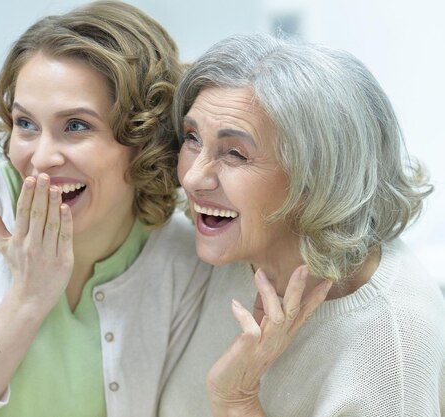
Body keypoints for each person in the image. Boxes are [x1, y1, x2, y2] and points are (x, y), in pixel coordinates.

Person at [0, 2, 213, 416]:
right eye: (26, 124)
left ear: (144, 138)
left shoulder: (179, 254)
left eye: (76, 126)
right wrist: (28, 297)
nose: (42, 158)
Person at [157, 34, 445, 416]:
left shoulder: (392, 350)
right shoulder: (227, 244)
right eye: (192, 138)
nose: (192, 178)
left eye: (235, 153)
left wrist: (237, 403)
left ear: (319, 178)